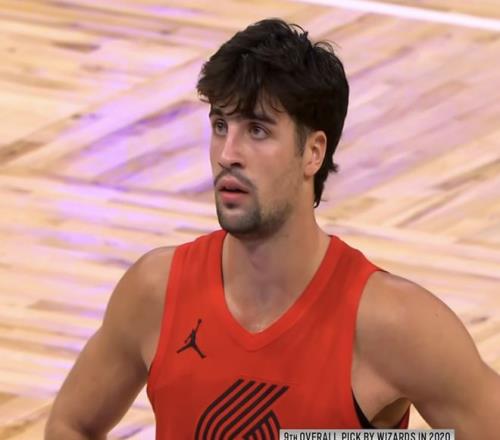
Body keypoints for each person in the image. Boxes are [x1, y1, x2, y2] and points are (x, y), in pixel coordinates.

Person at [45, 18, 500, 439]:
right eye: (220, 125)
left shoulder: (394, 324)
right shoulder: (156, 291)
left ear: (313, 153)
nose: (228, 153)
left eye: (257, 130)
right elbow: (71, 424)